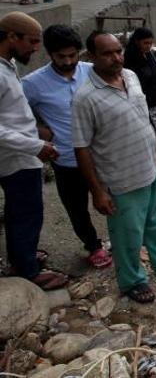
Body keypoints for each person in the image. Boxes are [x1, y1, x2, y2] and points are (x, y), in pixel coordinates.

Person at [72, 31, 156, 304]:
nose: (115, 57)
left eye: (118, 51)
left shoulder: (130, 76)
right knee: (127, 234)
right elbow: (81, 147)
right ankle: (132, 281)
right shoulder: (85, 98)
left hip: (148, 166)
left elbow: (145, 117)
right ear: (91, 56)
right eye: (107, 53)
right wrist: (97, 191)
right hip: (120, 178)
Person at [22, 25, 111, 269]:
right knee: (77, 208)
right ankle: (93, 246)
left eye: (73, 55)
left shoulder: (92, 72)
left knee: (113, 197)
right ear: (49, 54)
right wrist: (39, 131)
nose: (68, 61)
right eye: (61, 57)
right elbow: (16, 113)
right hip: (67, 158)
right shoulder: (32, 84)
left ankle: (123, 238)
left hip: (102, 154)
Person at [0, 12, 67, 289]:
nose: (36, 48)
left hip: (20, 153)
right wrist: (35, 145)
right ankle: (27, 272)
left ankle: (23, 255)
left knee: (21, 212)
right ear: (11, 37)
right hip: (15, 157)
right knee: (26, 212)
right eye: (32, 41)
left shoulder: (8, 65)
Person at [123, 27, 156, 176]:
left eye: (150, 43)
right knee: (151, 137)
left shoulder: (148, 55)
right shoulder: (130, 62)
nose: (148, 46)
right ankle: (153, 169)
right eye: (145, 43)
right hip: (145, 108)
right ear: (137, 42)